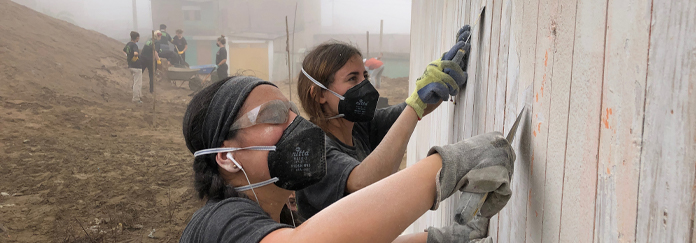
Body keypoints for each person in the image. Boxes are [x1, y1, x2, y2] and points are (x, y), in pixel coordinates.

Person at [179, 75, 515, 243]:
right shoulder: (218, 222)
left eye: (293, 113)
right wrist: (453, 163)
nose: (296, 124)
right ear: (225, 156)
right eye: (275, 115)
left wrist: (439, 238)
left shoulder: (280, 218)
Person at [295, 25, 472, 220]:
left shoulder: (358, 127)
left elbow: (414, 107)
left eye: (365, 76)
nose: (364, 86)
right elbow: (364, 183)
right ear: (320, 94)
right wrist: (416, 104)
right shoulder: (312, 149)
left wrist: (444, 73)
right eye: (352, 79)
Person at [123, 31, 143, 103]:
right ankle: (136, 99)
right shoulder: (134, 45)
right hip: (136, 66)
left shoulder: (128, 44)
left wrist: (128, 56)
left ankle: (138, 95)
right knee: (137, 83)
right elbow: (136, 53)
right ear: (137, 38)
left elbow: (124, 51)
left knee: (135, 82)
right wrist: (135, 57)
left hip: (130, 65)